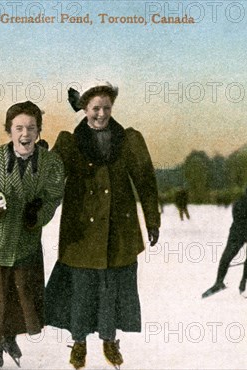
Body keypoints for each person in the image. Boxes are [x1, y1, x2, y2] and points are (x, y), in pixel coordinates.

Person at [45, 81, 161, 370]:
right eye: (95, 108)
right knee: (82, 289)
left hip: (118, 230)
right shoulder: (70, 142)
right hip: (81, 232)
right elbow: (51, 182)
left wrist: (152, 220)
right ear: (84, 108)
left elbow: (146, 182)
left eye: (106, 108)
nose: (101, 114)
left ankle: (110, 339)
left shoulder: (130, 139)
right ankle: (79, 343)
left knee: (112, 287)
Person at [0, 101, 64, 369]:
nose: (25, 134)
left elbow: (53, 197)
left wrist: (38, 215)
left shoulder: (51, 163)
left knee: (22, 294)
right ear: (9, 131)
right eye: (19, 128)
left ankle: (10, 337)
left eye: (31, 128)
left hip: (26, 241)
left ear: (39, 131)